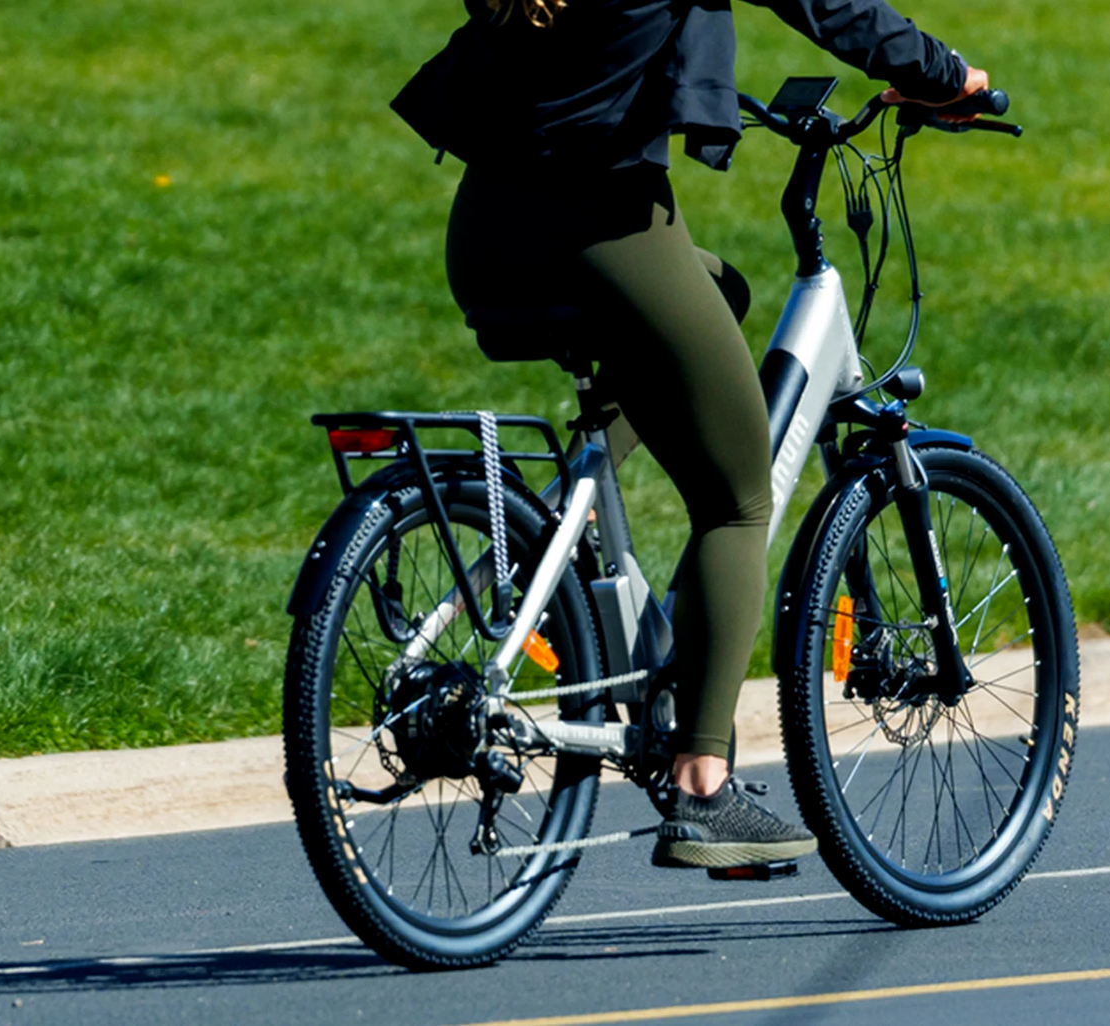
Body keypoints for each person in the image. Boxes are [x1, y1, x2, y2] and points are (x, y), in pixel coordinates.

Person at [391, 0, 991, 869]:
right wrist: (940, 73)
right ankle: (705, 782)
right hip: (602, 226)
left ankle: (566, 523)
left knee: (720, 296)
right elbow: (825, 3)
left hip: (487, 227)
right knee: (738, 496)